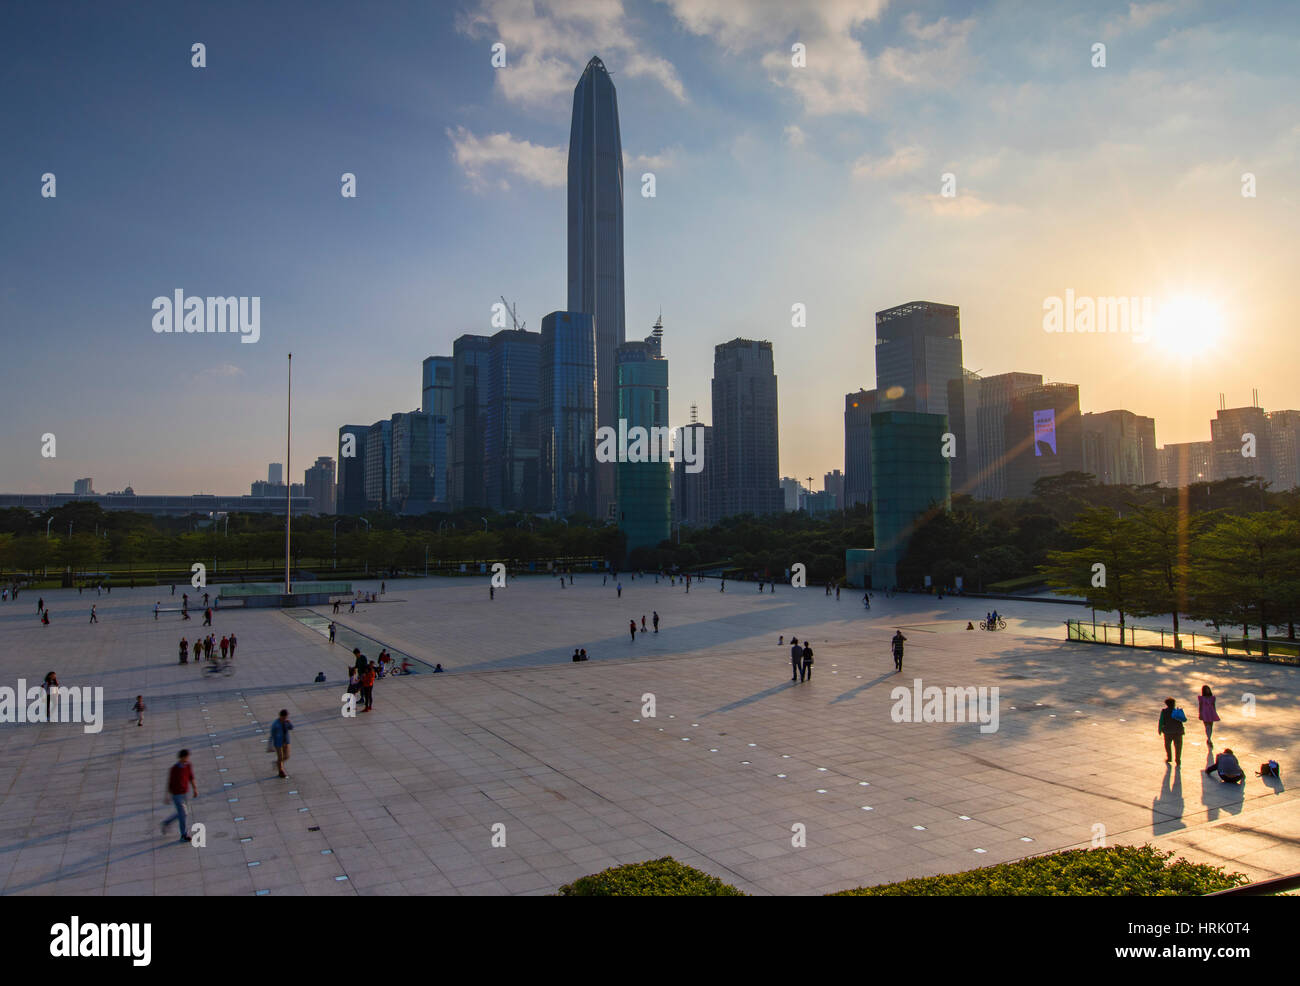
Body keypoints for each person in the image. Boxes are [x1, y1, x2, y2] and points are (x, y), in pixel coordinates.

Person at [161, 750, 197, 843]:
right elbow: (170, 783)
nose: (188, 759)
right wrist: (167, 796)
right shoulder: (174, 769)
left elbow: (191, 777)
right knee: (183, 814)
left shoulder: (188, 765)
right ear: (182, 757)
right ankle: (184, 835)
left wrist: (195, 789)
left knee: (182, 814)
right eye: (186, 757)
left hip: (185, 793)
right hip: (177, 795)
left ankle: (167, 822)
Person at [1158, 697, 1185, 765]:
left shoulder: (1164, 711)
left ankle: (1169, 757)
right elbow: (1184, 720)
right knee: (1178, 746)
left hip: (1167, 732)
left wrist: (1160, 729)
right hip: (1178, 732)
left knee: (1167, 745)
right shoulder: (1177, 711)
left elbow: (1161, 721)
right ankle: (1178, 759)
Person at [270, 710, 294, 778]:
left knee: (287, 756)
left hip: (286, 742)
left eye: (286, 717)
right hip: (278, 743)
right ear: (280, 716)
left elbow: (291, 728)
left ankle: (277, 763)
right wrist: (270, 745)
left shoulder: (286, 722)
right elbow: (272, 735)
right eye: (284, 717)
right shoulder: (276, 724)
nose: (285, 719)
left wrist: (289, 723)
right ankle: (281, 771)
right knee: (280, 757)